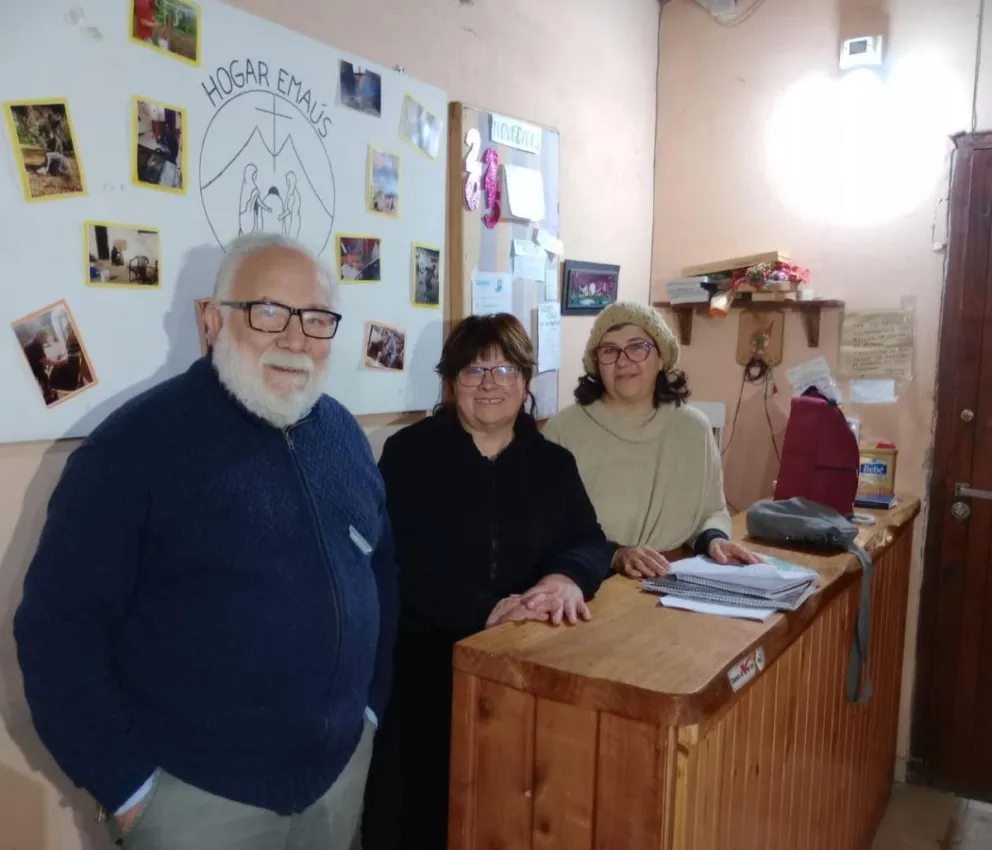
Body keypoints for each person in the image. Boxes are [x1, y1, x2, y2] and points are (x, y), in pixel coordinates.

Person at [14, 232, 397, 850]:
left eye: (317, 319)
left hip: (336, 781)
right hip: (197, 804)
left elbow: (381, 575)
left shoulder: (345, 438)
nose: (296, 338)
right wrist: (130, 789)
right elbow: (56, 632)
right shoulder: (132, 449)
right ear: (213, 318)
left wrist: (370, 711)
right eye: (269, 311)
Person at [361, 313, 614, 850]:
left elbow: (591, 542)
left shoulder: (554, 463)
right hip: (424, 670)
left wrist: (565, 580)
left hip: (527, 672)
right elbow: (398, 562)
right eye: (474, 371)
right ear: (452, 384)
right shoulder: (408, 455)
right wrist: (489, 610)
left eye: (505, 369)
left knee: (509, 814)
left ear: (526, 382)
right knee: (418, 819)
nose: (491, 383)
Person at [542, 301, 758, 577]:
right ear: (596, 364)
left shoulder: (693, 429)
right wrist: (614, 554)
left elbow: (711, 511)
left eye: (637, 347)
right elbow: (547, 528)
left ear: (660, 358)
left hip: (676, 574)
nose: (623, 361)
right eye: (609, 350)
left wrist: (715, 540)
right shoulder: (563, 430)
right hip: (588, 581)